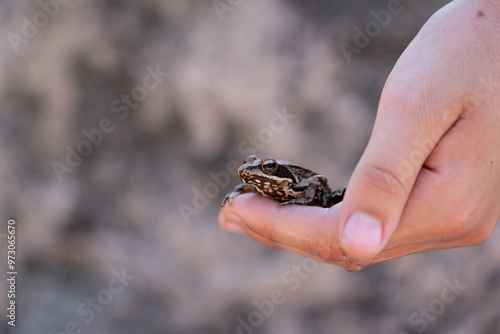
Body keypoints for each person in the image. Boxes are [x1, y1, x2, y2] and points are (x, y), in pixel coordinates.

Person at [219, 0, 500, 272]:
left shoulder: (295, 187)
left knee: (347, 199)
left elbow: (318, 182)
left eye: (267, 167)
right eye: (254, 164)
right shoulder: (258, 183)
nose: (256, 169)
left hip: (324, 198)